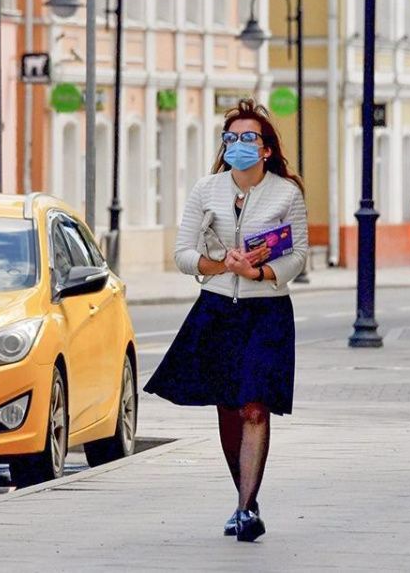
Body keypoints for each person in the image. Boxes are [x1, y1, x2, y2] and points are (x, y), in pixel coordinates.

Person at [145, 99, 308, 543]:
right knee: (228, 408)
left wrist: (258, 272)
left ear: (266, 148)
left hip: (266, 312)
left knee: (255, 406)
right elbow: (182, 254)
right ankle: (246, 500)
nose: (239, 145)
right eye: (231, 138)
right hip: (217, 309)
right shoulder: (206, 190)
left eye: (249, 138)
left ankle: (244, 508)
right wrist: (221, 264)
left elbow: (298, 256)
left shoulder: (286, 193)